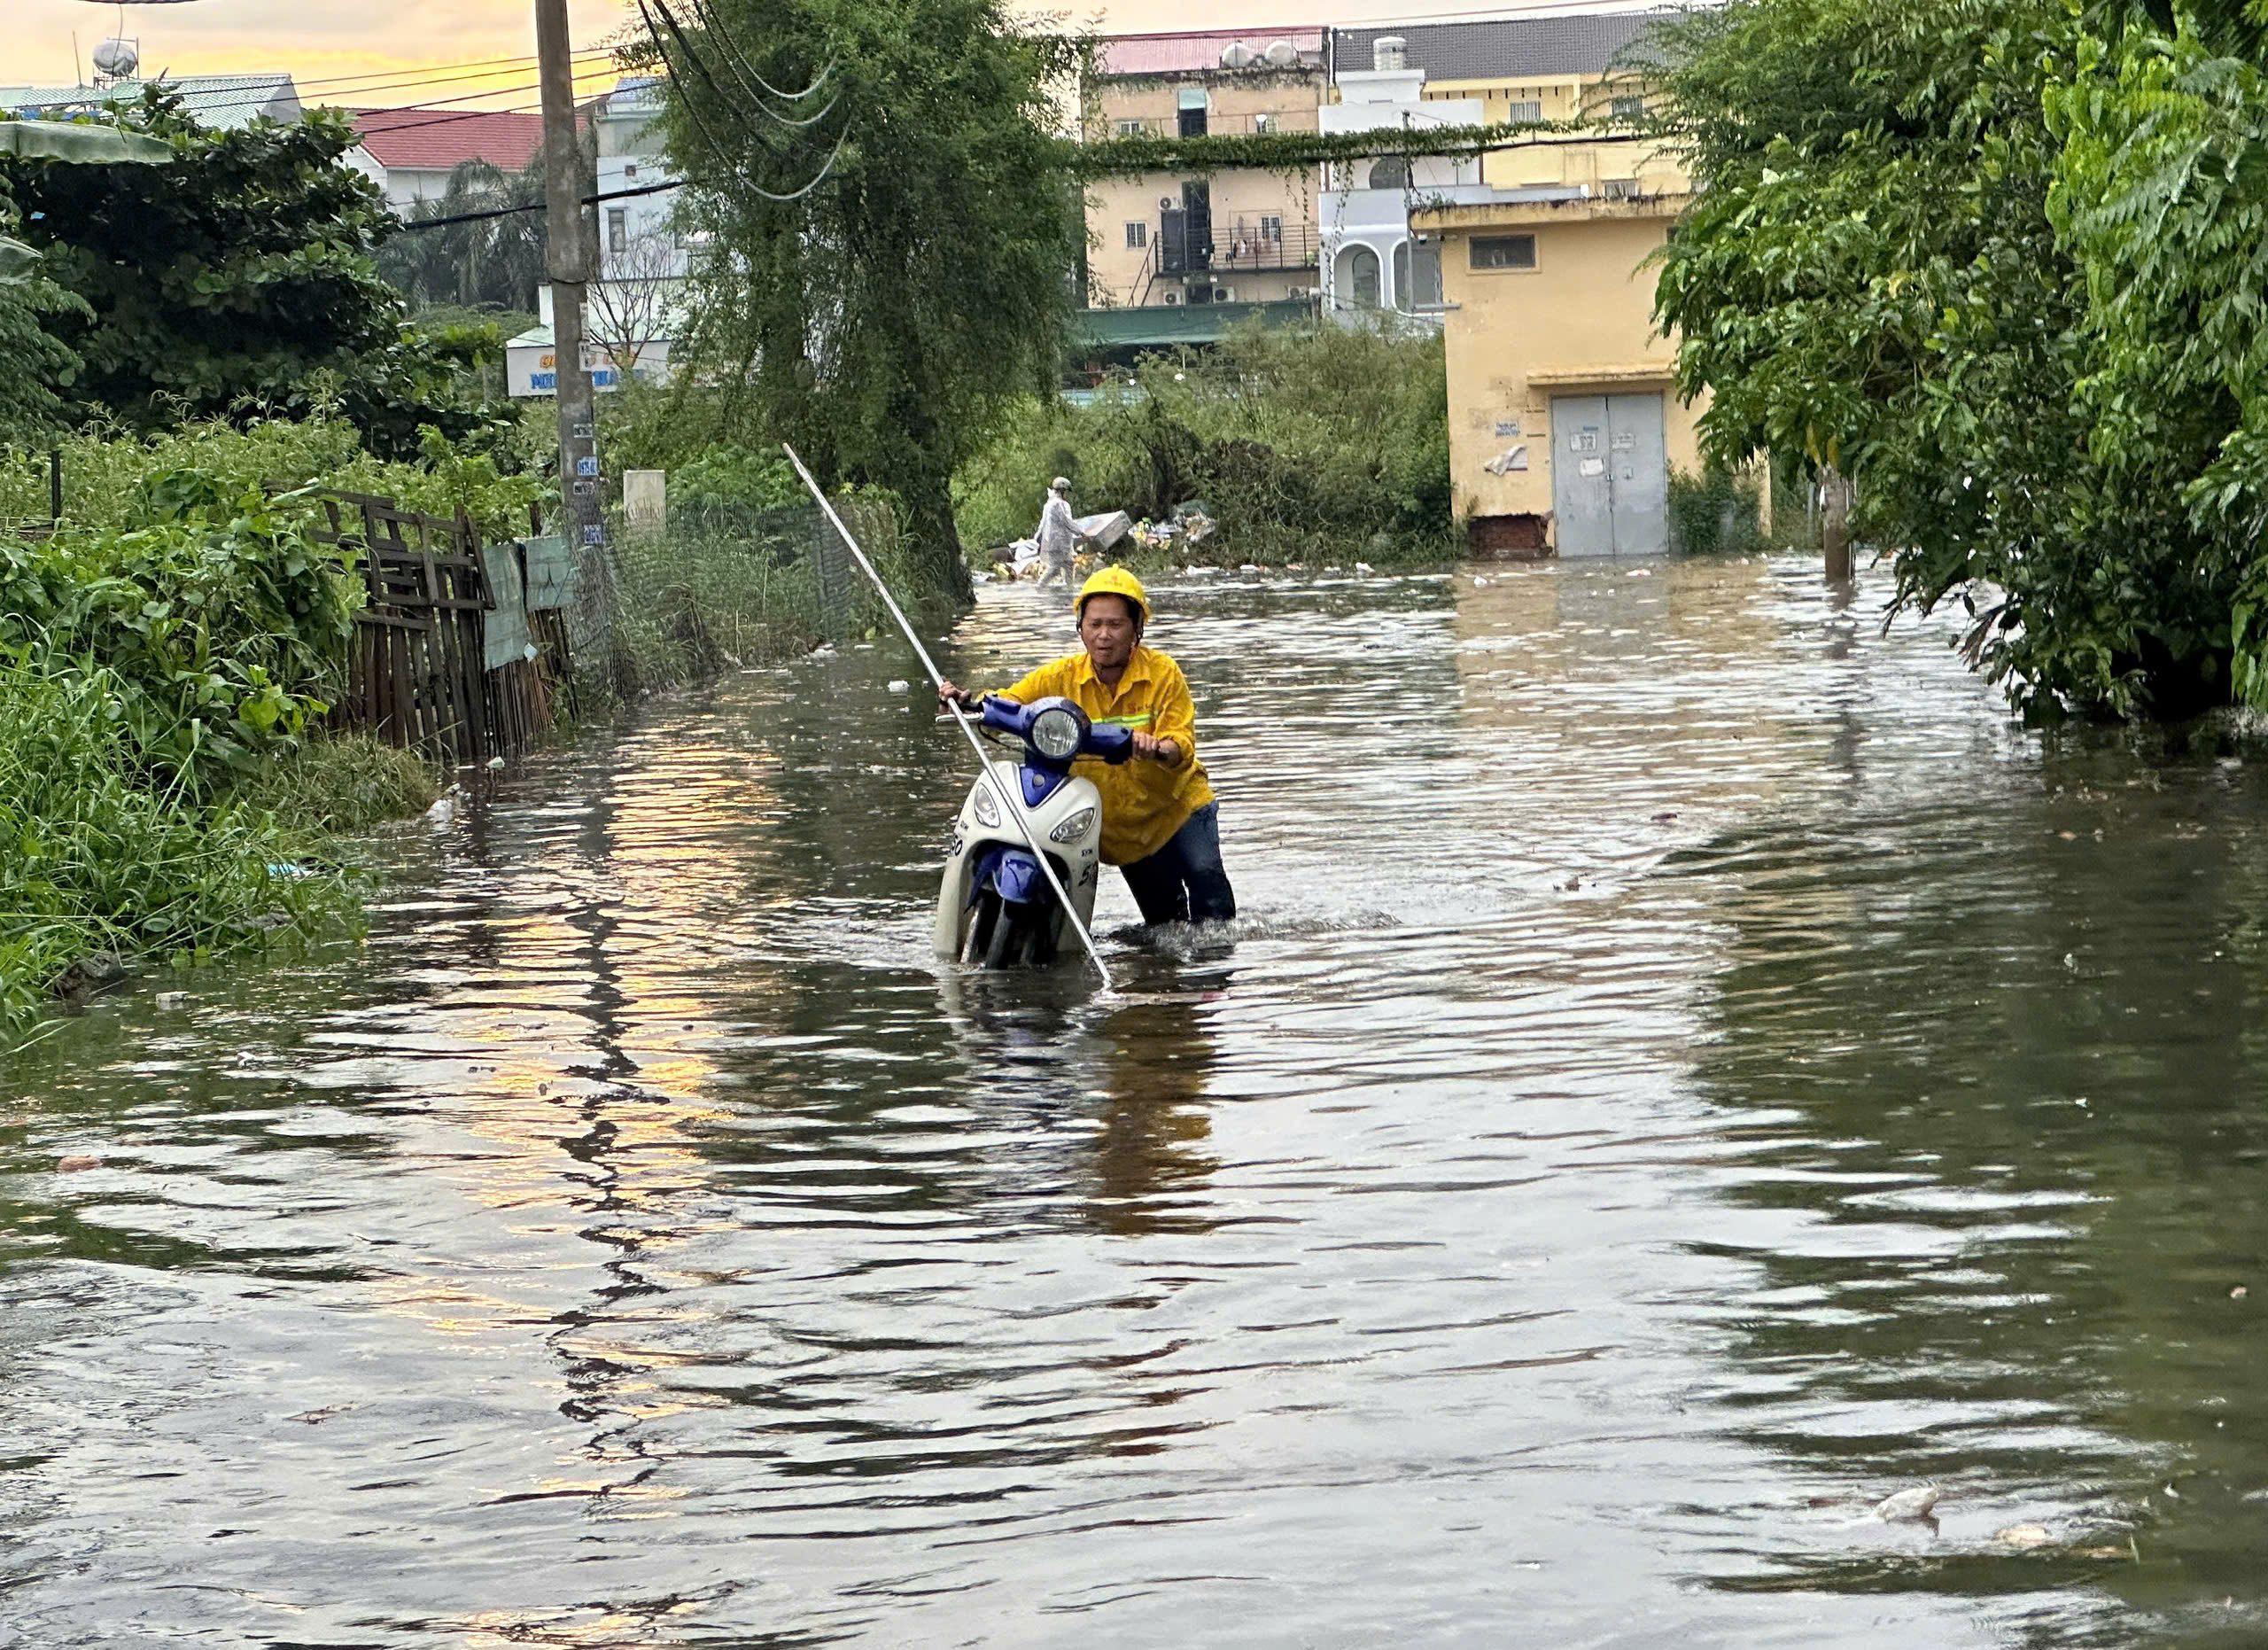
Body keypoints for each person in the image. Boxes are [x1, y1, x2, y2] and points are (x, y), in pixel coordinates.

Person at [938, 567, 1236, 926]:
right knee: (1164, 926)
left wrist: (1157, 747)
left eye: (1115, 625)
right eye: (1094, 625)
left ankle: (1218, 974)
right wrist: (966, 703)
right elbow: (1009, 702)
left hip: (1178, 809)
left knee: (1210, 895)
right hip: (1122, 833)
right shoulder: (1059, 677)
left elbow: (1181, 743)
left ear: (1136, 629)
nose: (1104, 636)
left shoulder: (1164, 674)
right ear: (1080, 627)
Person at [1036, 477, 1078, 588]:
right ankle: (1041, 587)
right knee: (1058, 567)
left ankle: (1069, 587)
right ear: (1063, 490)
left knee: (1065, 565)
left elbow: (1042, 524)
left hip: (1052, 542)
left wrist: (1037, 538)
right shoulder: (1060, 504)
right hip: (1059, 543)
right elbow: (1067, 522)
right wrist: (1081, 532)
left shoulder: (1049, 504)